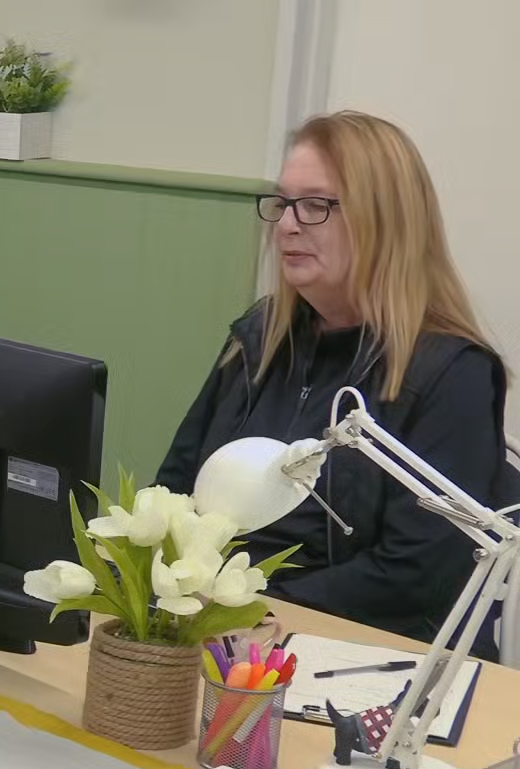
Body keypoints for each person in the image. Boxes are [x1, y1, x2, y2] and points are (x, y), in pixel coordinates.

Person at [156, 111, 508, 646]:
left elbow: (418, 574)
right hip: (221, 625)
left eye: (316, 205)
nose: (287, 225)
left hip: (356, 647)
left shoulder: (453, 372)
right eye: (282, 203)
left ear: (386, 221)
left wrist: (249, 610)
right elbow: (175, 489)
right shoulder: (259, 338)